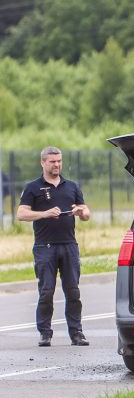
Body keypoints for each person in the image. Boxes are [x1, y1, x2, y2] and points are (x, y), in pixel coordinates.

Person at [16, 147, 91, 346]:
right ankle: (45, 333)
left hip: (69, 246)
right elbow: (21, 214)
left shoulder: (71, 186)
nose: (57, 165)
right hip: (44, 247)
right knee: (46, 291)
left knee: (73, 291)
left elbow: (86, 213)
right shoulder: (33, 187)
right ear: (43, 163)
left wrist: (80, 212)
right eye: (52, 162)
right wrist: (44, 214)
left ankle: (77, 333)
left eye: (59, 161)